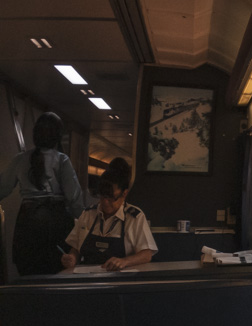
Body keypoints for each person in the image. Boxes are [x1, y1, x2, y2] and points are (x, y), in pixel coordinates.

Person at [0, 112, 84, 275]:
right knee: (57, 273)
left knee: (28, 273)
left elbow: (2, 188)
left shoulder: (20, 159)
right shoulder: (62, 160)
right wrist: (86, 222)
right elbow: (74, 198)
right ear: (57, 136)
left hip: (27, 224)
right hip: (57, 224)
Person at [61, 157, 158, 271]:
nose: (105, 203)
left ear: (124, 194)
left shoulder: (134, 217)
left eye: (111, 198)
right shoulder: (88, 214)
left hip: (120, 278)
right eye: (103, 197)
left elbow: (146, 254)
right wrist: (72, 258)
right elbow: (76, 248)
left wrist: (125, 261)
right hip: (88, 276)